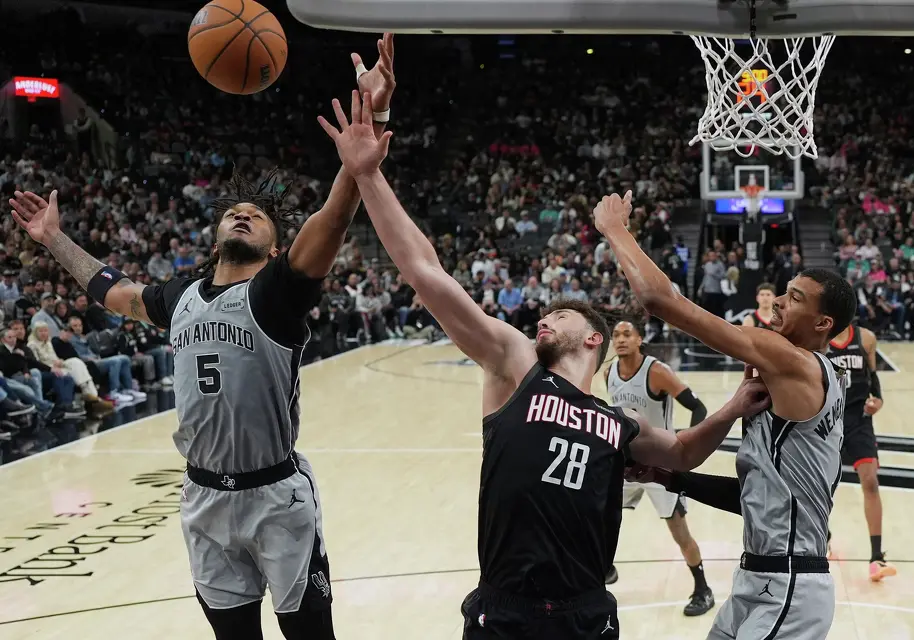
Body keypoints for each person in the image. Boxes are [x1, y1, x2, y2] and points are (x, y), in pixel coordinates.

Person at [318, 91, 772, 640]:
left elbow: (683, 452)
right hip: (506, 610)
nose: (544, 319)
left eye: (559, 316)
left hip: (586, 615)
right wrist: (368, 176)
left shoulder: (616, 424)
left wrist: (730, 408)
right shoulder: (515, 368)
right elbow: (424, 269)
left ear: (592, 341)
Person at [8, 34, 397, 640]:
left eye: (259, 215)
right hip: (203, 497)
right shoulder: (178, 297)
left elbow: (334, 220)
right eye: (233, 212)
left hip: (277, 499)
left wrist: (361, 151)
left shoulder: (278, 292)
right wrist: (54, 238)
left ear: (274, 247)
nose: (242, 214)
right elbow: (111, 290)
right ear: (216, 237)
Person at [594, 191, 856, 640]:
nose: (778, 304)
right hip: (760, 578)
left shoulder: (790, 358)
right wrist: (670, 479)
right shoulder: (813, 382)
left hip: (789, 585)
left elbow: (660, 301)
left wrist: (615, 229)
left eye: (793, 298)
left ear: (823, 324)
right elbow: (754, 497)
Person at [604, 319, 714, 616]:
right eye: (616, 335)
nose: (621, 339)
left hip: (661, 467)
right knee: (599, 512)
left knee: (679, 532)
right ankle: (604, 568)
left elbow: (699, 408)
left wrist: (686, 449)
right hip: (627, 464)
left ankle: (703, 589)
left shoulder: (657, 372)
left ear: (640, 339)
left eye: (628, 334)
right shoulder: (608, 372)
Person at [825, 322, 896, 582]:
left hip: (859, 420)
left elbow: (873, 380)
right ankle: (824, 539)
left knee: (871, 483)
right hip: (828, 420)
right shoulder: (819, 338)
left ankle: (877, 556)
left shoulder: (866, 338)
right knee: (819, 486)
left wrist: (878, 400)